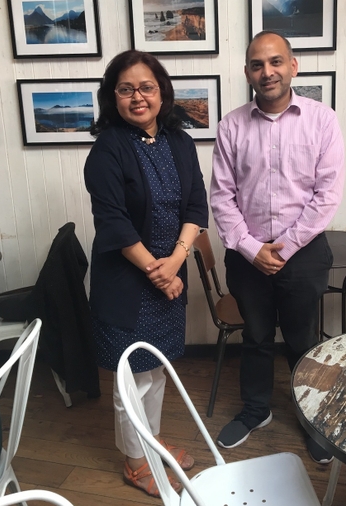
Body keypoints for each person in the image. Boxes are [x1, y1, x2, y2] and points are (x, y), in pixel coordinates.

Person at [210, 31, 345, 463]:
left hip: (303, 254)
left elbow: (327, 195)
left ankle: (314, 419)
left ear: (293, 66)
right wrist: (252, 249)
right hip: (247, 257)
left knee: (303, 339)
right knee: (256, 337)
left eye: (275, 62)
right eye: (257, 64)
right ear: (247, 72)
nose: (266, 72)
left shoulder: (322, 120)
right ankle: (256, 411)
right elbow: (222, 197)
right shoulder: (231, 126)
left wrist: (284, 248)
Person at [84, 49, 208, 497]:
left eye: (146, 87)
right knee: (130, 379)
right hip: (127, 285)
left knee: (155, 371)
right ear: (112, 97)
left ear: (162, 93)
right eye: (126, 89)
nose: (137, 97)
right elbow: (113, 223)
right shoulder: (107, 150)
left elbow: (196, 207)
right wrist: (160, 272)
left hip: (169, 277)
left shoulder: (180, 142)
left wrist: (175, 263)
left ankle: (150, 440)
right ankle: (135, 463)